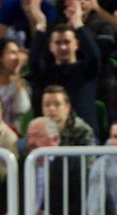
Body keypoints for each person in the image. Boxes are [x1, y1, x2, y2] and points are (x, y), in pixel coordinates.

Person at [25, 0, 102, 138]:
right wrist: (41, 24)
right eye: (58, 43)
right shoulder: (46, 72)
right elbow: (33, 62)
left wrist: (78, 23)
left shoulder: (87, 70)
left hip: (82, 137)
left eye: (67, 42)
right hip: (48, 138)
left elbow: (94, 56)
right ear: (50, 47)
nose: (63, 47)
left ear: (76, 44)